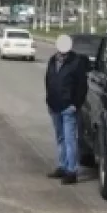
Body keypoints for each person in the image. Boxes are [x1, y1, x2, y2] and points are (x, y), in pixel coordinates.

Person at [45, 34, 89, 185]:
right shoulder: (52, 60)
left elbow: (82, 86)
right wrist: (48, 100)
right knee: (60, 138)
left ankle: (72, 171)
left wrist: (75, 104)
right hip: (54, 105)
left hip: (68, 107)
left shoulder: (76, 62)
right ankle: (62, 166)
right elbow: (48, 80)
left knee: (70, 140)